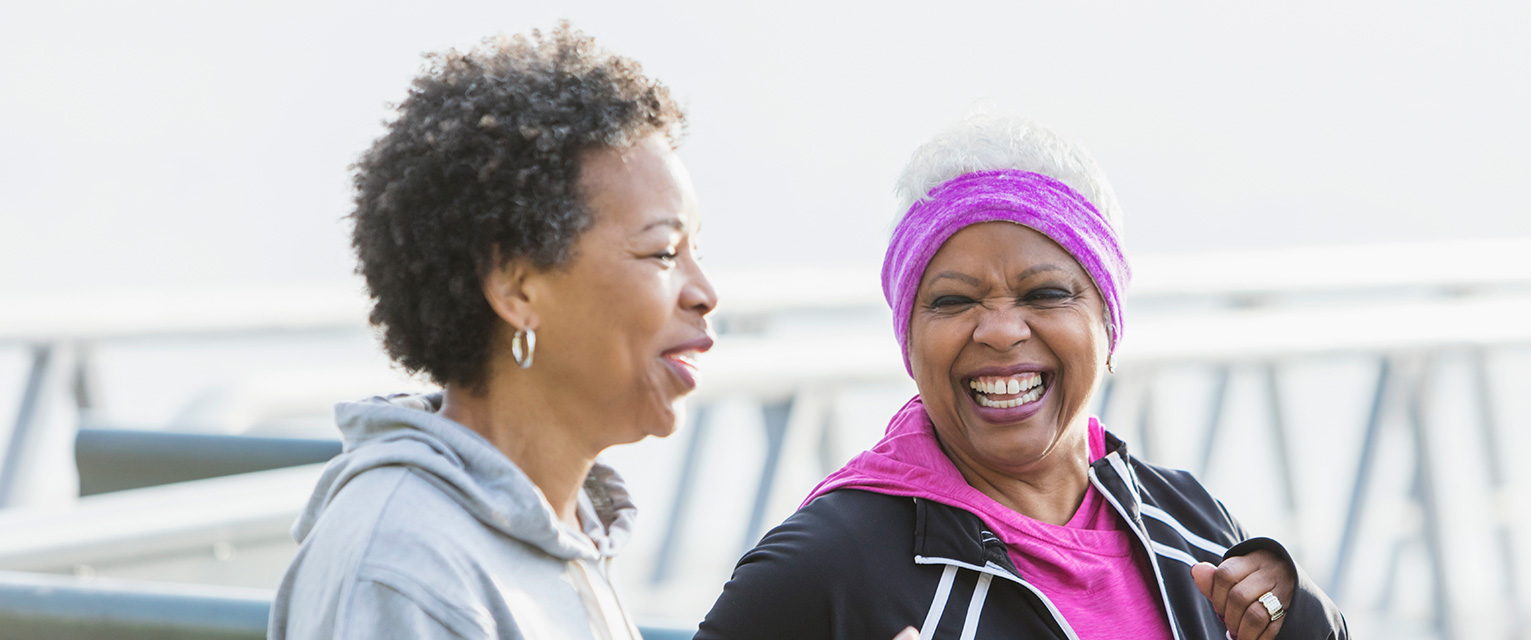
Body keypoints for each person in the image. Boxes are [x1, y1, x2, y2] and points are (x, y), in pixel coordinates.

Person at [696, 114, 1346, 640]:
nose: (1000, 331)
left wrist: (1305, 622)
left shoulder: (1189, 524)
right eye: (953, 301)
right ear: (910, 341)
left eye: (1045, 295)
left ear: (1108, 325)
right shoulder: (830, 565)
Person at [271, 24, 716, 640]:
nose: (704, 292)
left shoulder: (565, 527)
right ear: (516, 286)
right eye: (663, 253)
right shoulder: (404, 570)